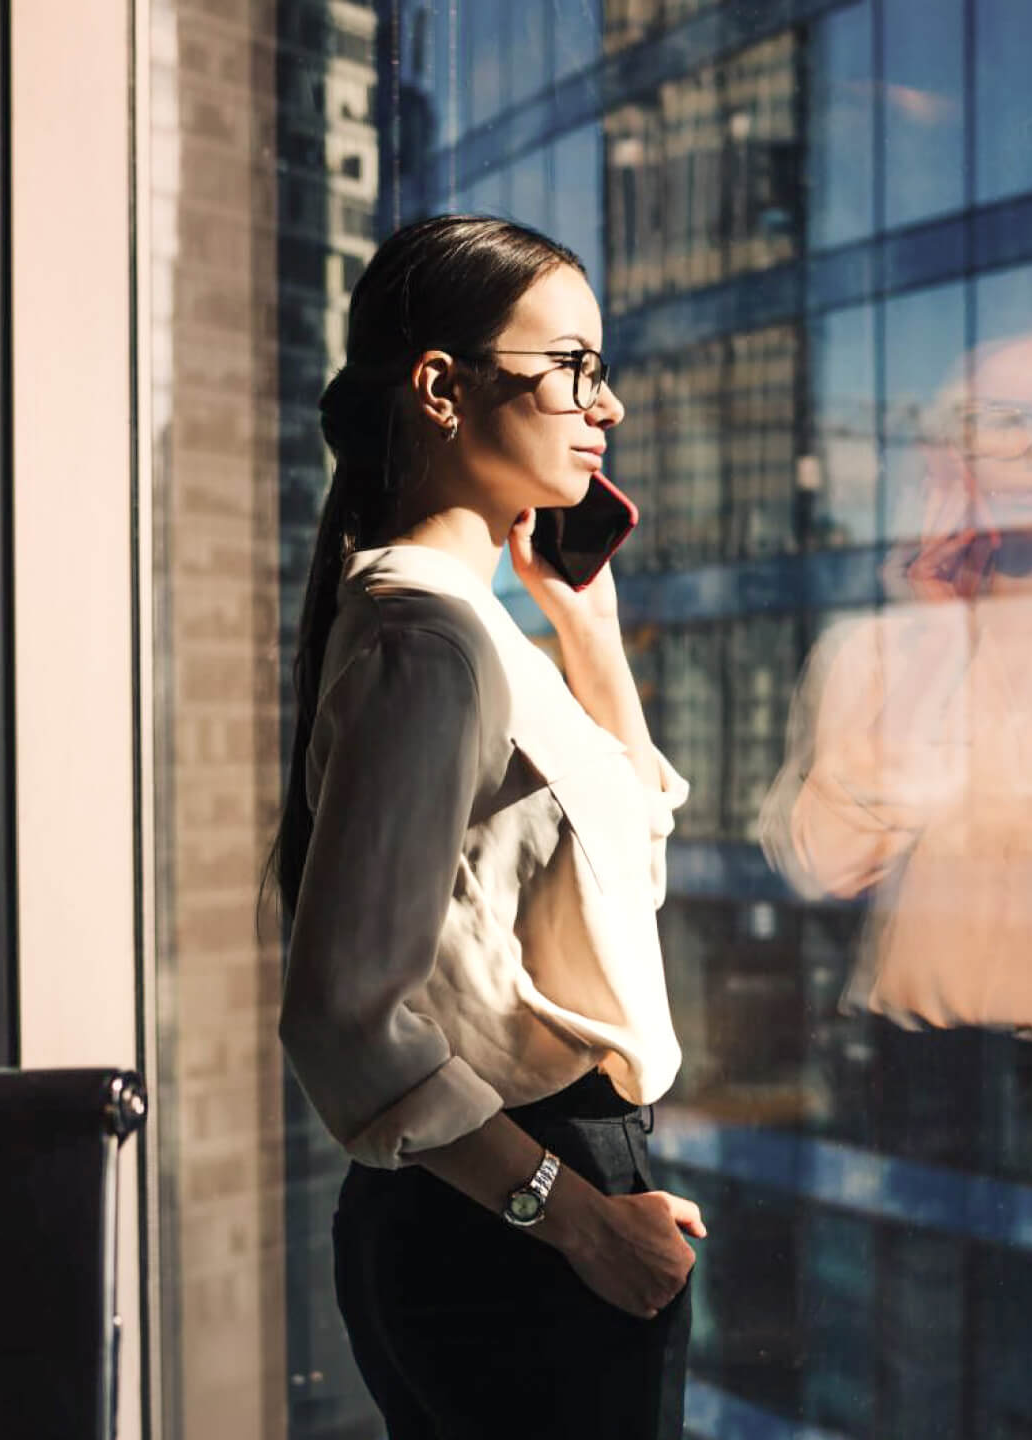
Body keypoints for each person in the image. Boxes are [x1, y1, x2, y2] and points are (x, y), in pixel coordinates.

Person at [271, 215, 705, 1439]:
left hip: (511, 1202)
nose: (604, 405)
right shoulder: (431, 638)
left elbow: (630, 878)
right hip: (508, 1217)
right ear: (440, 387)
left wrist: (589, 632)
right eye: (572, 365)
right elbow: (343, 1018)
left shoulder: (468, 626)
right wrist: (573, 1220)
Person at [760, 332, 1032, 1189]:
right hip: (914, 1098)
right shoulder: (870, 657)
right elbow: (822, 868)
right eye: (1006, 421)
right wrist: (935, 639)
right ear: (948, 459)